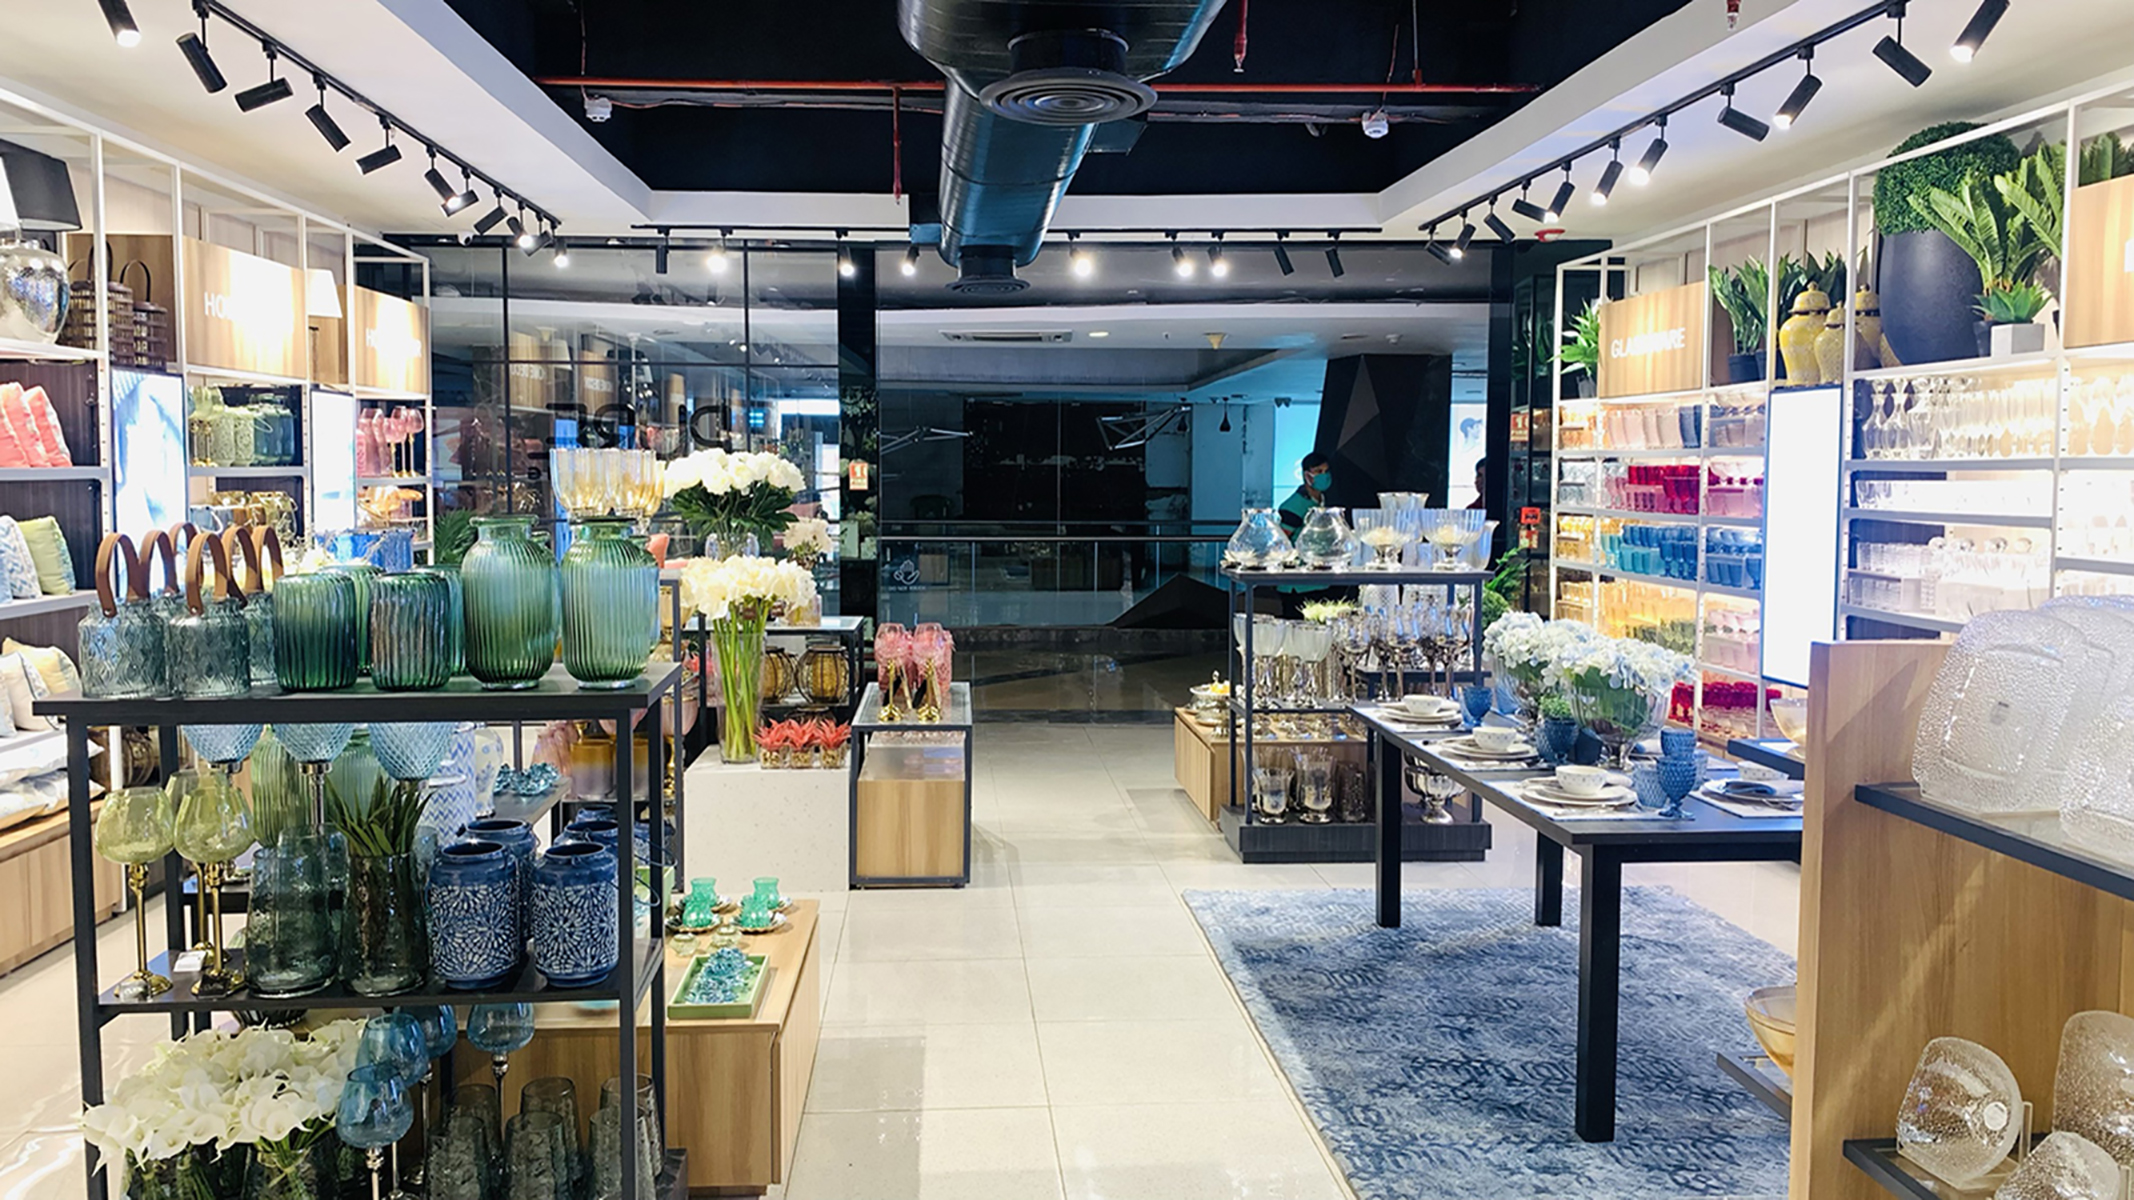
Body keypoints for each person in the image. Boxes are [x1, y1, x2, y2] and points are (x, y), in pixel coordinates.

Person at [1277, 450, 1334, 539]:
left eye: (1326, 471)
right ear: (1307, 476)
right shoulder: (1293, 507)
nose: (1324, 475)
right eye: (1319, 471)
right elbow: (1280, 541)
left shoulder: (1325, 500)